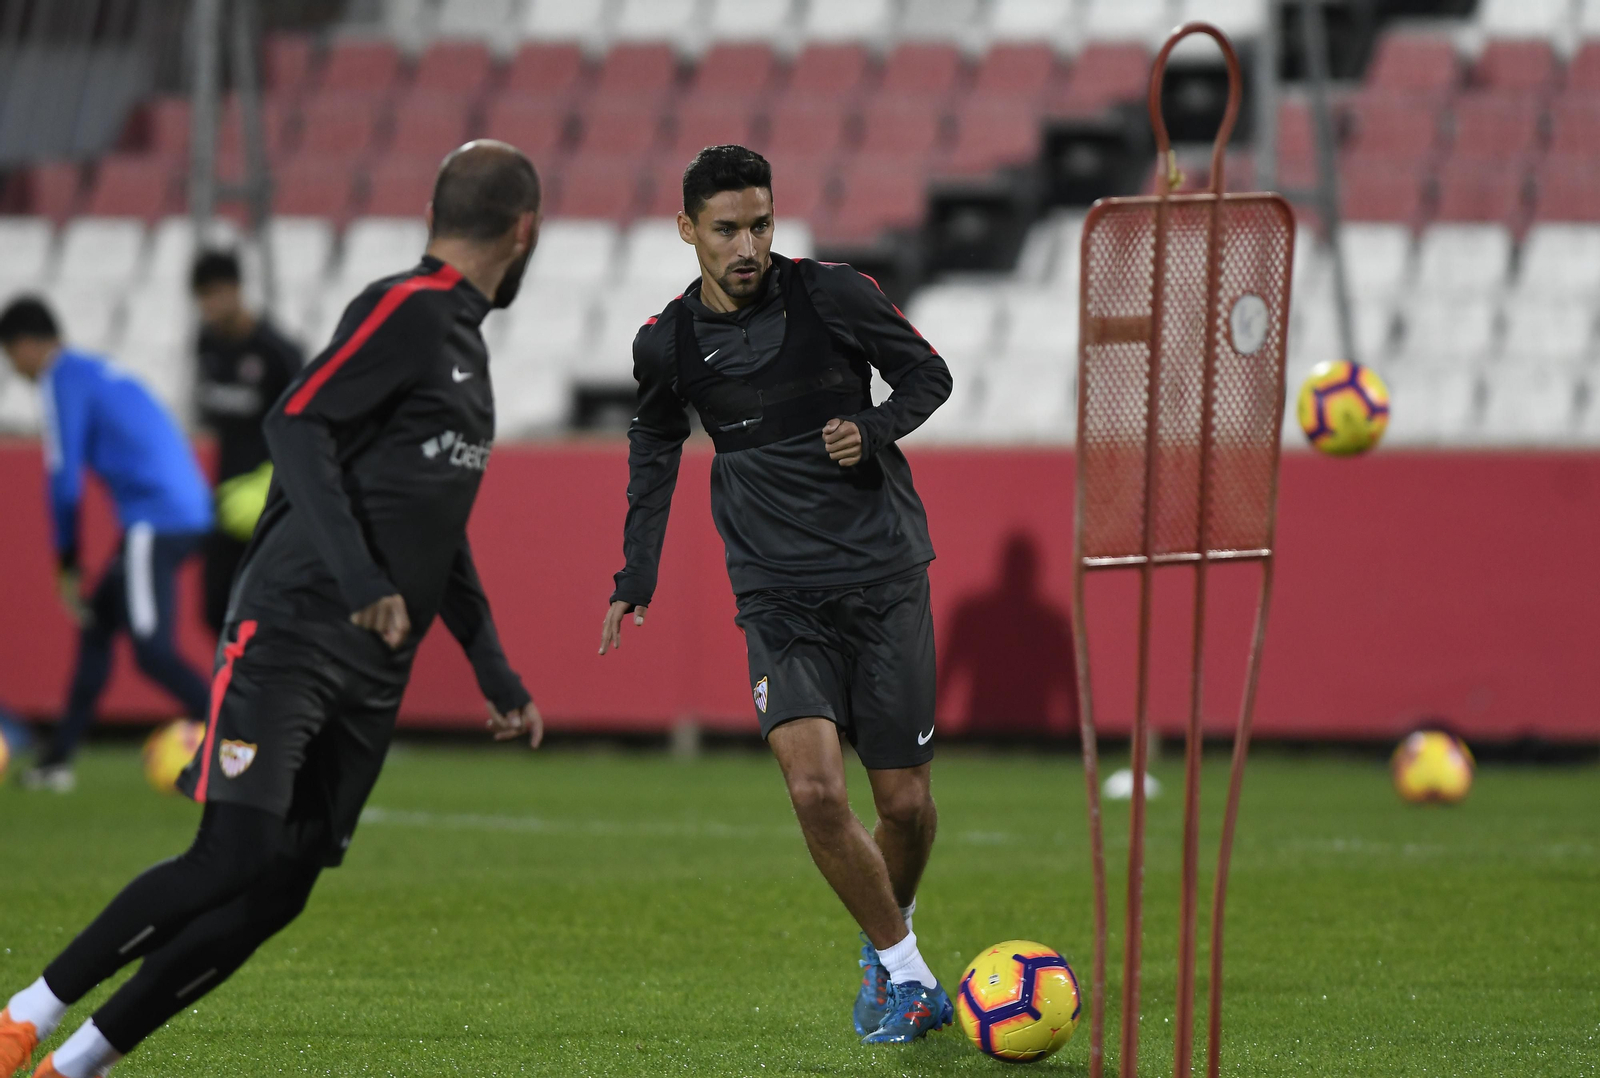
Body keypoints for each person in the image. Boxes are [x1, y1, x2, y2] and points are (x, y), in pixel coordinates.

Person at [0, 140, 546, 1078]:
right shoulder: (405, 307)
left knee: (278, 887)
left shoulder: (465, 353)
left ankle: (70, 1066)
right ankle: (23, 1018)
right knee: (233, 852)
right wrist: (363, 581)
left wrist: (491, 665)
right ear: (525, 232)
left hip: (376, 664)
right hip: (296, 625)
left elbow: (434, 526)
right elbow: (293, 421)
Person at [598, 145, 954, 1044]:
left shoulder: (831, 294)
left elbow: (929, 374)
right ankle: (909, 973)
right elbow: (653, 448)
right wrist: (635, 572)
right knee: (814, 793)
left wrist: (872, 428)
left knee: (905, 805)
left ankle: (886, 943)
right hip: (777, 594)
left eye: (760, 223)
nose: (747, 244)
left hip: (881, 576)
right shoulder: (666, 343)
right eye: (727, 230)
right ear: (688, 232)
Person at [0, 297, 214, 794]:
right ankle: (56, 762)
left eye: (11, 356)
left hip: (155, 519)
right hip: (182, 509)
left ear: (28, 346)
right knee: (97, 627)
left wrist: (68, 557)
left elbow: (64, 480)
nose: (15, 369)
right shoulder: (95, 371)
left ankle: (240, 737)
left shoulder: (61, 379)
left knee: (152, 651)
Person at [191, 249, 304, 635]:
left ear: (237, 290)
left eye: (214, 293)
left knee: (268, 613)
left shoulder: (278, 352)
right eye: (201, 296)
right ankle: (241, 689)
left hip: (270, 497)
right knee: (214, 611)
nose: (208, 305)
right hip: (227, 497)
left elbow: (304, 428)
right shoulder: (206, 344)